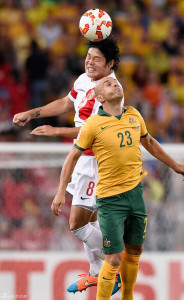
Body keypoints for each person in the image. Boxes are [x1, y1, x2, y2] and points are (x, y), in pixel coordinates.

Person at [51, 76, 184, 300]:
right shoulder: (94, 124)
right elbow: (72, 157)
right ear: (99, 98)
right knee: (114, 258)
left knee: (134, 253)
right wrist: (60, 192)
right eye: (107, 84)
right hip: (109, 200)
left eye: (115, 82)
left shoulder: (134, 114)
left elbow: (149, 142)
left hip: (135, 195)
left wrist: (175, 166)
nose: (114, 84)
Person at [13, 36, 121, 294]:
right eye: (88, 57)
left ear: (110, 64)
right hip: (83, 158)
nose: (90, 62)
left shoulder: (110, 90)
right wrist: (32, 113)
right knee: (90, 219)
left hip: (97, 160)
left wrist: (54, 131)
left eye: (97, 59)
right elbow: (65, 103)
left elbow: (93, 132)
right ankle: (97, 273)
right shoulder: (84, 80)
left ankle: (114, 263)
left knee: (78, 224)